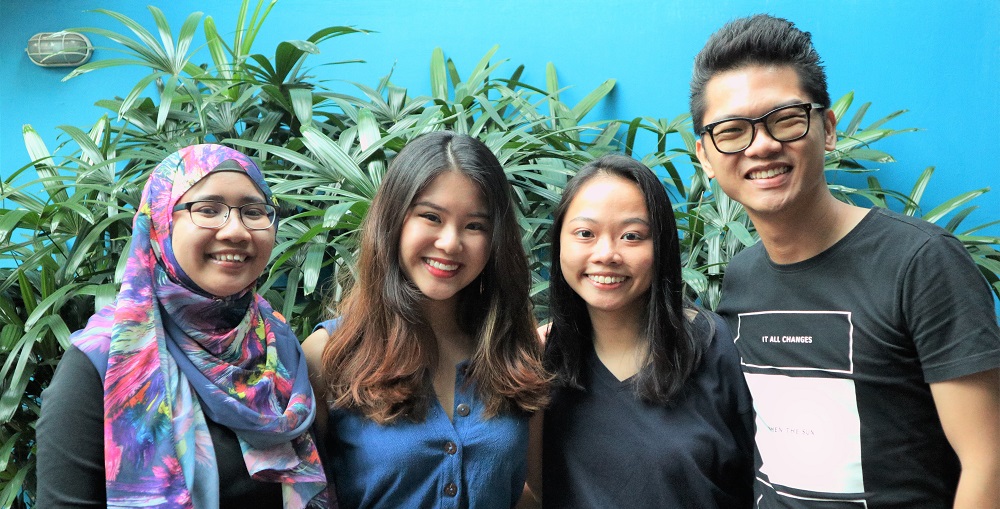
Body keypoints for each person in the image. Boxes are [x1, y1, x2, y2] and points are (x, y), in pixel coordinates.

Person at [691, 14, 1000, 509]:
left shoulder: (921, 263)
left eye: (786, 119)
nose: (763, 144)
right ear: (706, 156)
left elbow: (989, 462)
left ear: (828, 128)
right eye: (732, 130)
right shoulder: (743, 276)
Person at [36, 144, 328, 508]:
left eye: (254, 211)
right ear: (159, 222)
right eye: (208, 209)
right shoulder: (101, 362)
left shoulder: (278, 344)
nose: (236, 231)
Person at [302, 131, 549, 508]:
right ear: (395, 220)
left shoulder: (516, 351)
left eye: (474, 225)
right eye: (431, 217)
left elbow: (531, 492)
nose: (450, 243)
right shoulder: (329, 354)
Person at [541, 154, 754, 508]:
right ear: (560, 242)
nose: (606, 253)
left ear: (662, 245)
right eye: (585, 233)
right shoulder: (541, 361)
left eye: (631, 236)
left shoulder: (714, 346)